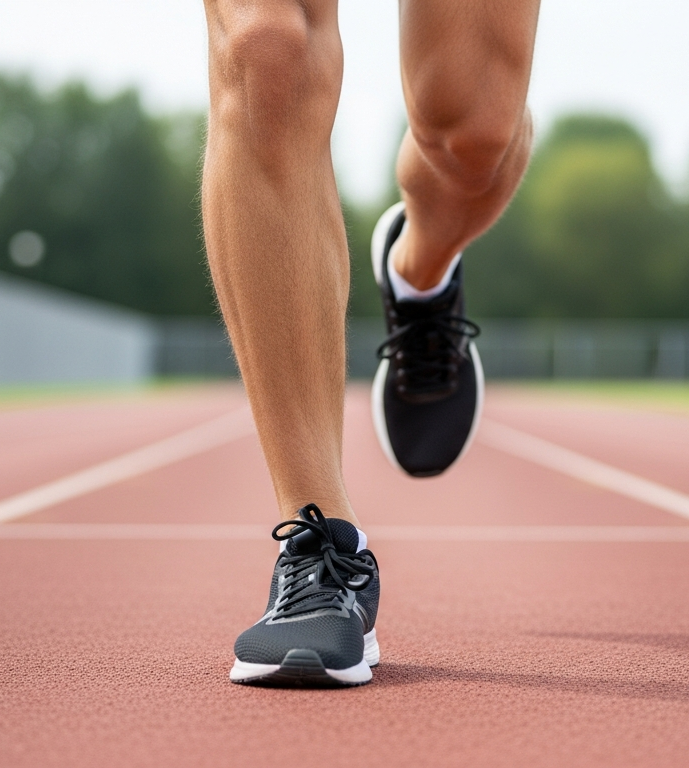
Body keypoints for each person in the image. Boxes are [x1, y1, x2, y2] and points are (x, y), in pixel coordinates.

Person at [202, 0, 540, 687]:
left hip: (460, 163)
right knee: (266, 49)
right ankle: (320, 547)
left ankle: (420, 272)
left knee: (474, 135)